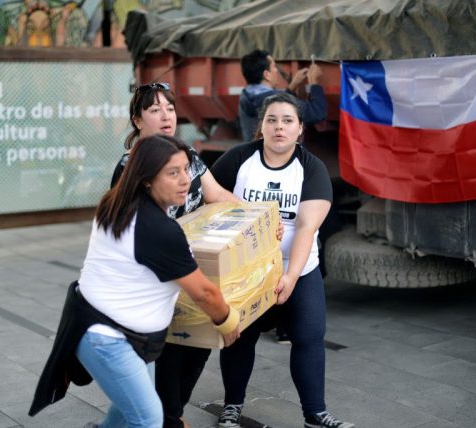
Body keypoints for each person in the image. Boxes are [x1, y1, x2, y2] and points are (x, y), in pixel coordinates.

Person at [29, 135, 240, 427]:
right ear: (146, 180)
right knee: (148, 419)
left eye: (186, 169)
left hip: (118, 332)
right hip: (107, 337)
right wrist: (228, 323)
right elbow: (204, 293)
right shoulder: (156, 228)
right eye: (173, 172)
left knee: (126, 412)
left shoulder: (118, 204)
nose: (186, 179)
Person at [211, 93, 353, 428]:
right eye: (271, 120)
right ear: (260, 126)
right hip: (247, 271)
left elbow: (306, 227)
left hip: (298, 269)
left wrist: (290, 276)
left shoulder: (311, 168)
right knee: (239, 336)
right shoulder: (238, 160)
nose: (279, 127)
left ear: (300, 129)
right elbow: (209, 199)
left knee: (308, 336)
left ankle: (315, 414)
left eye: (287, 121)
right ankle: (232, 406)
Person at [110, 82, 240, 428]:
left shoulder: (190, 157)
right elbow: (127, 230)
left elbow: (217, 195)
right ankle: (169, 417)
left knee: (197, 347)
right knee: (168, 355)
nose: (166, 115)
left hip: (195, 271)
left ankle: (170, 413)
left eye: (169, 107)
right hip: (156, 282)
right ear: (138, 120)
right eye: (155, 109)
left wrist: (260, 219)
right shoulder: (131, 169)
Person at [238, 49, 327, 143]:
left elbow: (275, 101)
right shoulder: (275, 101)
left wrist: (292, 86)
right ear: (266, 75)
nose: (276, 70)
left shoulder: (245, 95)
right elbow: (317, 112)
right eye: (273, 66)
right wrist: (314, 82)